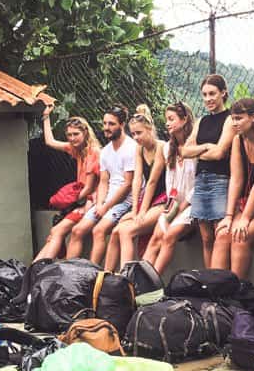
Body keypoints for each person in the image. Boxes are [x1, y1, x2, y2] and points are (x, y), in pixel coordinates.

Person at [66, 106, 136, 264]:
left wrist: (106, 207)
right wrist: (99, 204)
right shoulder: (105, 151)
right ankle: (69, 271)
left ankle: (93, 272)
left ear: (122, 124)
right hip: (106, 200)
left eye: (111, 124)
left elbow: (127, 185)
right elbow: (104, 181)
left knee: (99, 230)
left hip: (126, 201)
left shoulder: (131, 148)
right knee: (77, 230)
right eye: (104, 123)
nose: (106, 127)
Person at [34, 106, 101, 261]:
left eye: (76, 134)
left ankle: (46, 267)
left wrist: (69, 202)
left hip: (89, 201)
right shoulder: (76, 149)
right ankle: (35, 267)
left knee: (58, 231)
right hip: (80, 199)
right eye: (69, 135)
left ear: (85, 133)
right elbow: (50, 142)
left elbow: (89, 187)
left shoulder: (93, 152)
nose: (72, 138)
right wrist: (46, 117)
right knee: (53, 234)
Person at [183, 74, 236, 269]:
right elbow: (184, 151)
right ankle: (208, 279)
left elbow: (220, 153)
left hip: (220, 180)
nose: (208, 99)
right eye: (204, 94)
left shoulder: (230, 119)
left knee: (220, 234)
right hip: (200, 181)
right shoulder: (201, 121)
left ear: (223, 93)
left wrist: (197, 152)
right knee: (206, 238)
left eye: (212, 94)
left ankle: (220, 279)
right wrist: (206, 147)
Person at [110, 104, 168, 269]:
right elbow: (137, 179)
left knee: (126, 231)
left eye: (139, 133)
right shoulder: (139, 149)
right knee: (116, 231)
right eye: (133, 134)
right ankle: (106, 275)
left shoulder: (161, 146)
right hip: (148, 198)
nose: (135, 137)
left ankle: (126, 277)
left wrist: (142, 211)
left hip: (163, 199)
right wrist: (135, 209)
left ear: (150, 129)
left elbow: (152, 181)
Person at [146, 102, 198, 275]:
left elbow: (199, 179)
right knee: (155, 238)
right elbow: (170, 181)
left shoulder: (196, 145)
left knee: (169, 236)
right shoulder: (168, 147)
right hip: (174, 203)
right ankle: (138, 280)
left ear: (184, 120)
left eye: (171, 119)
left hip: (192, 204)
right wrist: (172, 203)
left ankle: (153, 282)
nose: (167, 123)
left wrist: (185, 204)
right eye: (166, 119)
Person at [224, 98, 254, 280]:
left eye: (239, 118)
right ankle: (215, 291)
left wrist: (245, 219)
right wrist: (229, 216)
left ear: (253, 117)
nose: (235, 123)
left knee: (240, 237)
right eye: (233, 119)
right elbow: (236, 179)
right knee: (223, 234)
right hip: (246, 202)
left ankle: (236, 289)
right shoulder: (237, 140)